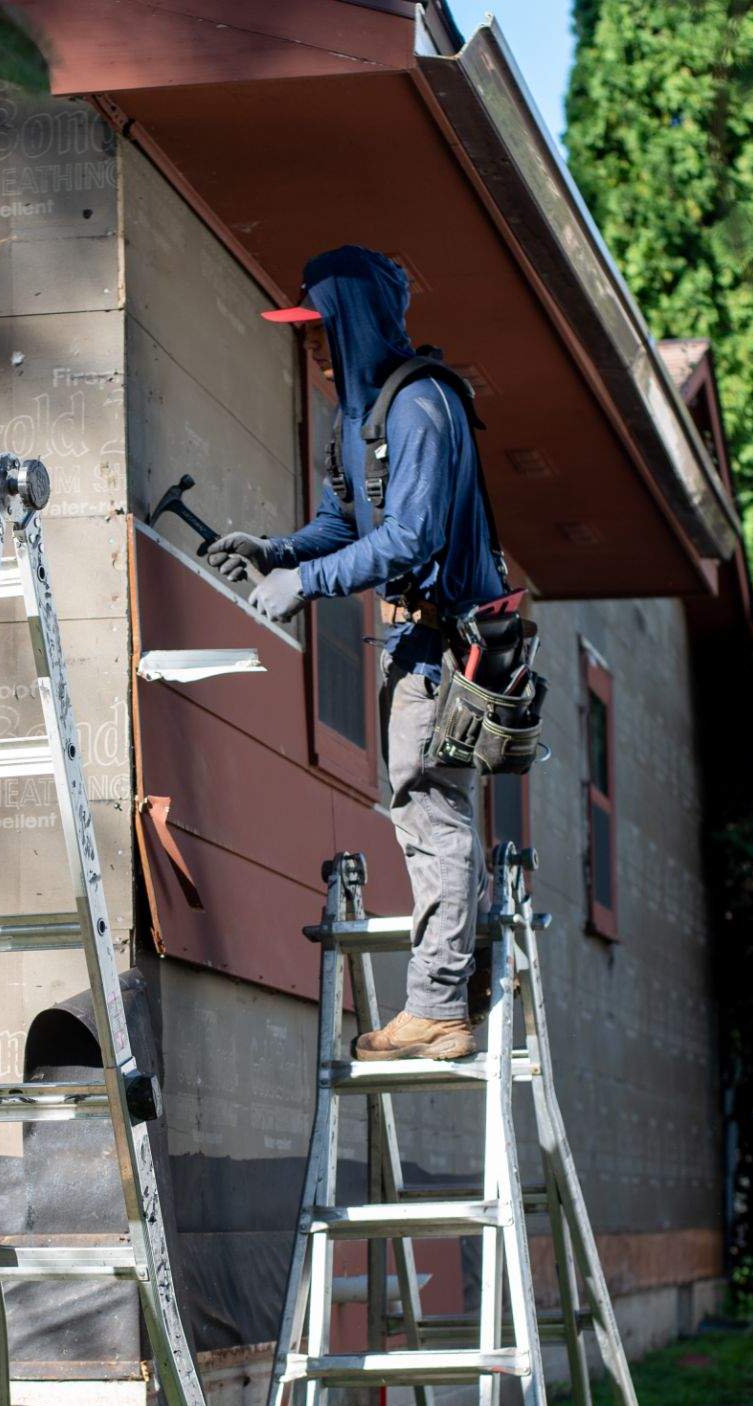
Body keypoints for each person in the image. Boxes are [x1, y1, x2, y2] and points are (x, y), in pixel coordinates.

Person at [206, 245, 511, 1063]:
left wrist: (305, 585)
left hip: (449, 647)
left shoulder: (421, 407)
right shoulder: (358, 412)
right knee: (418, 815)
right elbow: (348, 524)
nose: (311, 345)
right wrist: (278, 550)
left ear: (352, 317)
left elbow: (412, 536)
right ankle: (448, 992)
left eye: (318, 326)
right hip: (411, 645)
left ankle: (441, 1008)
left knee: (430, 816)